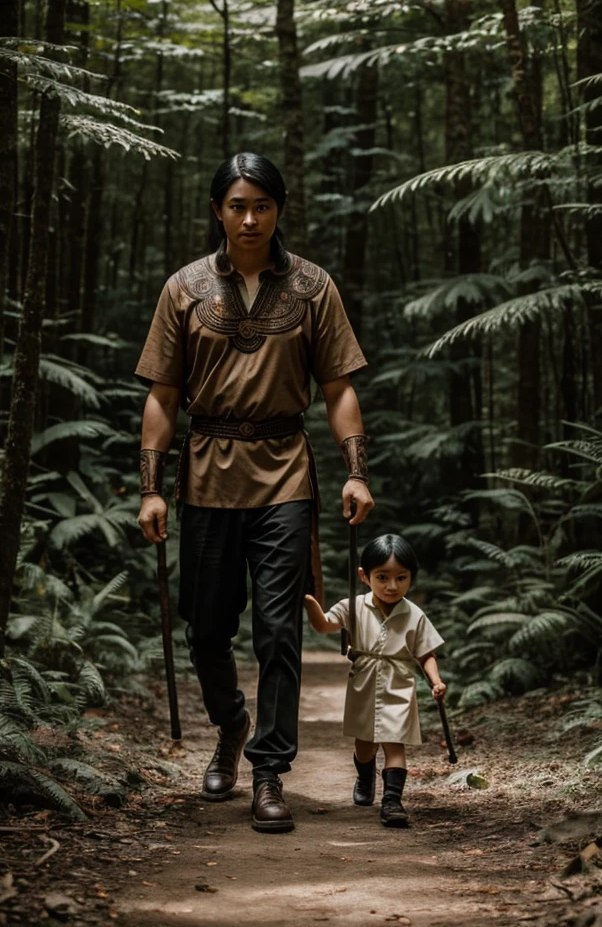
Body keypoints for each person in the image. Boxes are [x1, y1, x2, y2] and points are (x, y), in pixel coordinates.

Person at [135, 152, 374, 833]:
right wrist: (150, 489)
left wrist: (356, 472)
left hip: (284, 476)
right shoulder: (183, 288)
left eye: (262, 206)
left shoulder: (312, 287)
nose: (249, 217)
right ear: (217, 210)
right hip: (207, 472)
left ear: (279, 211)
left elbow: (338, 389)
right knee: (207, 627)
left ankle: (269, 772)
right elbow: (163, 396)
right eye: (237, 205)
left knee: (278, 632)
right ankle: (232, 725)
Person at [304, 533, 445, 827]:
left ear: (411, 577)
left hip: (399, 683)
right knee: (365, 744)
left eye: (401, 578)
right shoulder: (352, 607)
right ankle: (365, 776)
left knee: (395, 744)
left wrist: (435, 681)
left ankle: (392, 801)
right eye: (382, 577)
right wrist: (310, 605)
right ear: (364, 576)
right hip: (364, 682)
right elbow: (325, 625)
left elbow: (425, 654)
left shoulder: (414, 615)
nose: (392, 586)